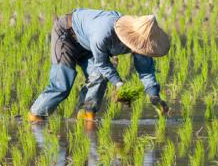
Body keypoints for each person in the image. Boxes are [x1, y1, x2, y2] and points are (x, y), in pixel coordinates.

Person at [28, 8, 170, 122]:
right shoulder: (104, 32)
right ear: (131, 36)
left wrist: (154, 95)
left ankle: (86, 113)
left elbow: (146, 70)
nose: (139, 48)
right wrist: (119, 83)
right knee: (62, 85)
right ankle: (35, 117)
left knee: (100, 76)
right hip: (67, 35)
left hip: (89, 43)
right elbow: (101, 62)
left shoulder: (142, 43)